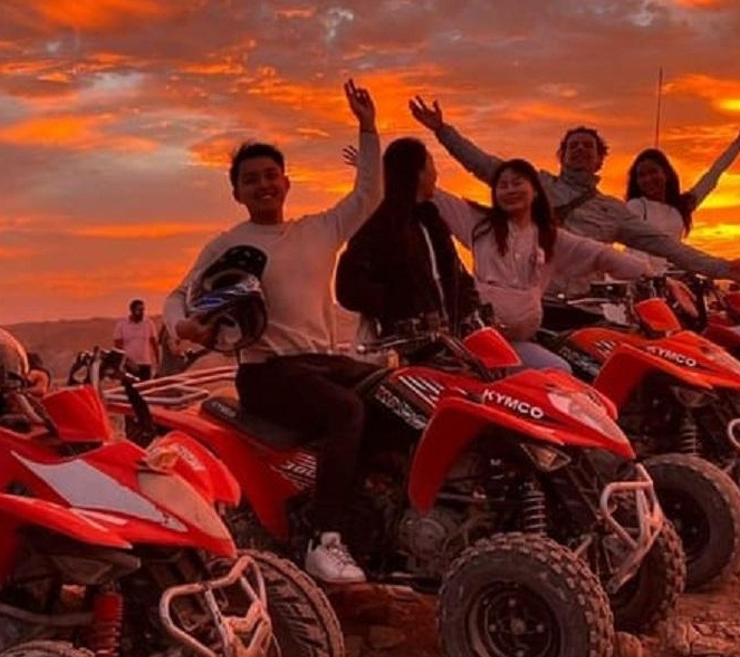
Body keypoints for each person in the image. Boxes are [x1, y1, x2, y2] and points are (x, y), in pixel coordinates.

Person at [163, 81, 381, 585]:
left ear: (287, 182)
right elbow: (177, 297)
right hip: (267, 373)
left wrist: (368, 129)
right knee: (347, 411)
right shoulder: (228, 245)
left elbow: (368, 194)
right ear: (236, 192)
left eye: (270, 175)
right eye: (250, 179)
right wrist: (185, 326)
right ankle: (325, 541)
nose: (262, 185)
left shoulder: (318, 229)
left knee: (393, 392)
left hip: (325, 360)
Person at [409, 97, 740, 297]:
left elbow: (666, 246)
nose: (580, 150)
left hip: (580, 302)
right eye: (573, 146)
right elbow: (484, 164)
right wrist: (442, 130)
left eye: (588, 147)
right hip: (521, 293)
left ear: (599, 159)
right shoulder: (534, 184)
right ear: (561, 155)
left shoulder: (612, 211)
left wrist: (721, 268)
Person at [431, 158, 649, 370]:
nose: (510, 190)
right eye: (503, 186)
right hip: (477, 341)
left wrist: (646, 274)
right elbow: (438, 199)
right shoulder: (480, 225)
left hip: (517, 342)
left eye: (517, 183)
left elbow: (600, 254)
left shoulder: (551, 238)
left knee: (558, 370)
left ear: (535, 190)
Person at [335, 138, 480, 342]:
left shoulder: (433, 222)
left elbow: (456, 275)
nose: (436, 174)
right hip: (407, 349)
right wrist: (401, 305)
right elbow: (348, 288)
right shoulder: (380, 225)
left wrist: (472, 303)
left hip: (450, 343)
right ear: (418, 173)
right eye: (431, 165)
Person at [624, 130, 740, 272]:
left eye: (653, 172)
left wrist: (739, 142)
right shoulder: (636, 206)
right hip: (638, 278)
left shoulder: (680, 206)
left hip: (666, 278)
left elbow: (713, 175)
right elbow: (636, 248)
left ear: (666, 174)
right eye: (641, 175)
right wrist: (649, 277)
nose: (648, 179)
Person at [114, 298, 160, 379]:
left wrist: (158, 362)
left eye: (143, 309)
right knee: (129, 389)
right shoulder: (122, 325)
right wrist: (123, 362)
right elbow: (118, 346)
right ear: (132, 310)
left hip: (145, 363)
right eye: (139, 310)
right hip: (129, 364)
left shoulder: (149, 324)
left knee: (145, 389)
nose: (141, 312)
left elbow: (154, 344)